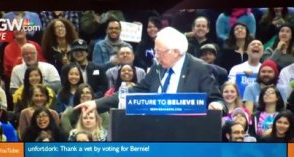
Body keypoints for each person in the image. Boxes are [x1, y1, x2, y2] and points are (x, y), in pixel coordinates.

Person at [75, 27, 227, 115]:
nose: (156, 56)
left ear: (175, 52)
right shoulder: (157, 68)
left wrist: (217, 107)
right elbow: (134, 92)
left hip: (187, 137)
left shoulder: (199, 69)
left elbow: (218, 101)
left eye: (159, 52)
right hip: (155, 132)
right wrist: (97, 103)